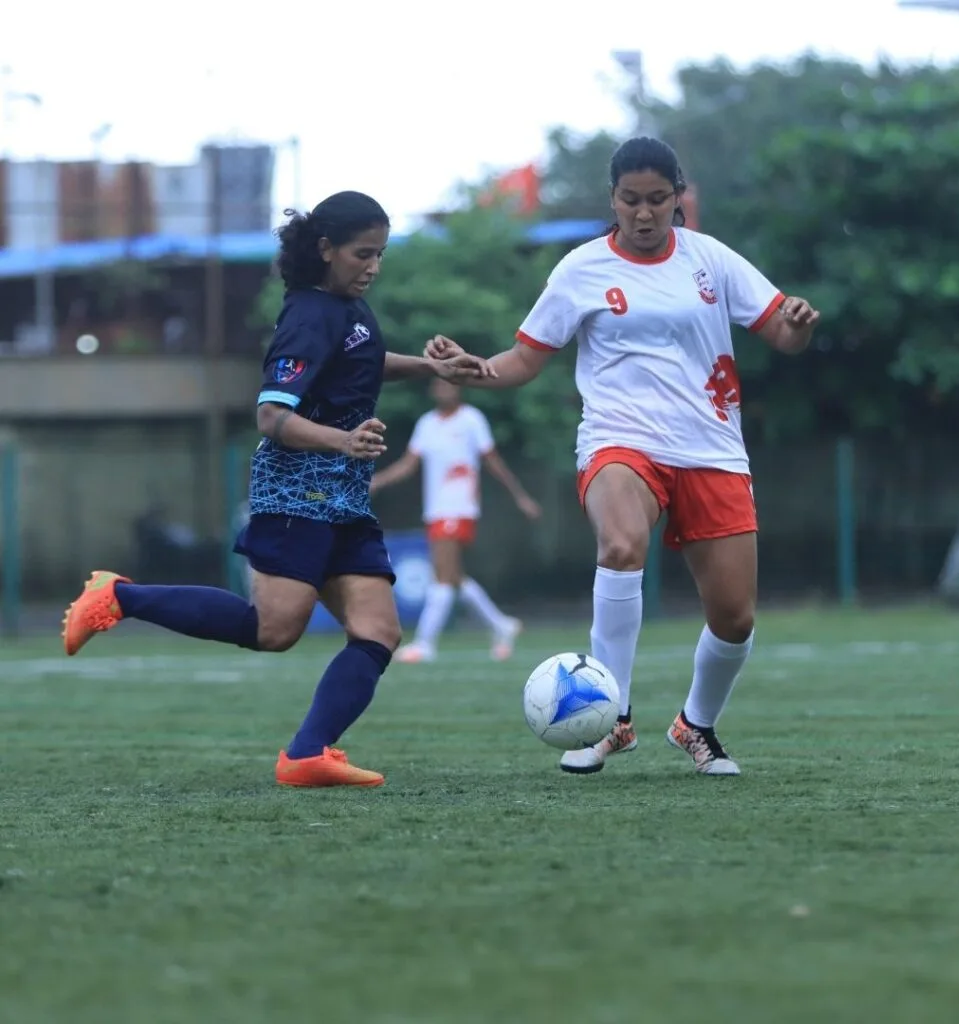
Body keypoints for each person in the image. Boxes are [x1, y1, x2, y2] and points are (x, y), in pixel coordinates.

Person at [61, 190, 492, 788]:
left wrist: (430, 368)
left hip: (344, 495)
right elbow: (271, 416)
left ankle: (307, 754)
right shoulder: (308, 315)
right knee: (274, 630)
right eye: (363, 254)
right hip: (297, 492)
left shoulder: (348, 307)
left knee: (378, 631)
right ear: (326, 249)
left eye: (380, 254)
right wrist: (343, 440)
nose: (373, 266)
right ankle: (117, 597)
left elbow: (362, 362)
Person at [426, 137, 820, 777]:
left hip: (712, 447)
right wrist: (477, 370)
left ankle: (696, 725)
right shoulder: (580, 269)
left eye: (657, 199)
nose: (643, 212)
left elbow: (781, 330)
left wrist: (797, 325)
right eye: (630, 199)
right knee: (619, 544)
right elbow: (525, 358)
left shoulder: (710, 259)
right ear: (612, 198)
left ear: (677, 197)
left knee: (734, 617)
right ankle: (613, 717)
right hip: (619, 439)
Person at [368, 378, 542, 663]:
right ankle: (502, 625)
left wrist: (520, 495)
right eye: (438, 385)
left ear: (458, 388)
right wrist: (379, 481)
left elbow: (493, 460)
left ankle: (425, 644)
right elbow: (408, 464)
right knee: (454, 577)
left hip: (459, 507)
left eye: (448, 385)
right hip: (436, 509)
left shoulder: (471, 420)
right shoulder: (427, 423)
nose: (443, 390)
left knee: (442, 577)